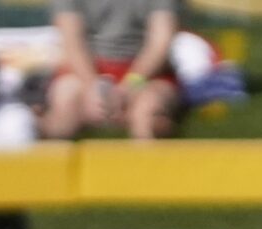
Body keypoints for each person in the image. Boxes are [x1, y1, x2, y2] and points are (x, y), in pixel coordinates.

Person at [41, 0, 184, 142]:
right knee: (64, 106)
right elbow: (72, 42)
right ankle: (50, 159)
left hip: (148, 74)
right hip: (83, 71)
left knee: (149, 113)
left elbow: (161, 43)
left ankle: (149, 162)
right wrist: (92, 86)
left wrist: (129, 86)